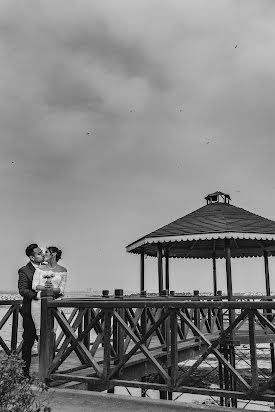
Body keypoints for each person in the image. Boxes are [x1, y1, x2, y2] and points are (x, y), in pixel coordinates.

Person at [18, 243, 44, 379]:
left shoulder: (46, 269)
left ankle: (46, 373)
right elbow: (22, 290)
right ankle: (25, 374)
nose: (42, 254)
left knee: (46, 342)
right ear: (31, 257)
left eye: (42, 252)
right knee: (28, 342)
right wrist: (37, 295)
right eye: (39, 253)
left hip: (45, 312)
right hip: (29, 312)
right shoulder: (24, 271)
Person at [31, 246, 67, 342]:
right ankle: (41, 356)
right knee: (40, 334)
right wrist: (45, 288)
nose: (44, 254)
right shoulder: (39, 269)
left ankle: (52, 357)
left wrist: (53, 290)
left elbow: (62, 289)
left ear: (54, 254)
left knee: (52, 332)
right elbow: (34, 286)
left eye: (46, 252)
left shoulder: (63, 270)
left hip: (55, 302)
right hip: (39, 303)